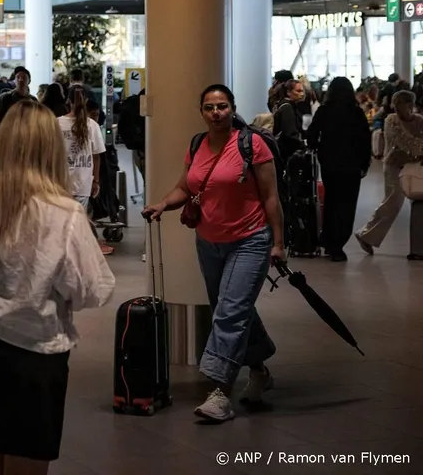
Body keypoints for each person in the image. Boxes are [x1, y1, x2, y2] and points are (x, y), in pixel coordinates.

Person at [0, 100, 115, 474]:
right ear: (51, 148)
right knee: (28, 458)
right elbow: (91, 289)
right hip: (38, 350)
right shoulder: (64, 212)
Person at [144, 85, 284, 423]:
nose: (216, 113)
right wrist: (162, 204)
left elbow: (271, 197)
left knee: (230, 311)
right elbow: (185, 187)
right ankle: (259, 370)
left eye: (222, 106)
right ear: (202, 112)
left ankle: (219, 392)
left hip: (250, 240)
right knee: (234, 308)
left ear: (232, 108)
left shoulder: (252, 145)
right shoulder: (197, 144)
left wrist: (278, 243)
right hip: (209, 242)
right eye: (209, 107)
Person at [306, 77, 372, 261]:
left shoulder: (324, 111)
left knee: (331, 202)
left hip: (329, 163)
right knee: (347, 205)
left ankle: (328, 240)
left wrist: (317, 147)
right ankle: (338, 243)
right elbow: (365, 140)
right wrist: (365, 164)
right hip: (352, 165)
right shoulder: (356, 113)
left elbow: (312, 135)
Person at [355, 90, 423, 260]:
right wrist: (418, 148)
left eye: (403, 104)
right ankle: (366, 234)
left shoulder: (419, 121)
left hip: (414, 167)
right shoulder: (391, 121)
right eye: (397, 104)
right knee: (393, 202)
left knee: (417, 203)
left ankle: (417, 246)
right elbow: (405, 142)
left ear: (411, 104)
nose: (399, 108)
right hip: (394, 166)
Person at [59, 85, 110, 255]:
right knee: (78, 221)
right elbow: (97, 156)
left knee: (63, 222)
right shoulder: (92, 125)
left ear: (68, 101)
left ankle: (66, 254)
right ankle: (79, 254)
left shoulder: (56, 123)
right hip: (83, 181)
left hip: (60, 181)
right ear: (86, 101)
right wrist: (96, 180)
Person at [0, 66, 34, 131]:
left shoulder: (33, 100)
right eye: (18, 77)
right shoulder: (5, 97)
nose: (20, 80)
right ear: (14, 80)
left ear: (29, 81)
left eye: (24, 77)